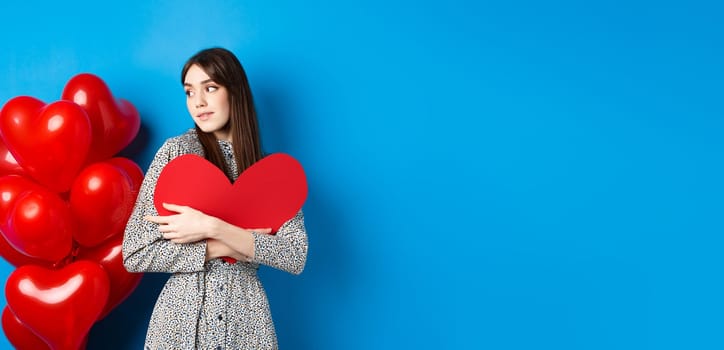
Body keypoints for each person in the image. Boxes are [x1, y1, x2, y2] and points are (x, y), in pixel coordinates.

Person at [122, 47, 308, 350]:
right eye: (189, 92)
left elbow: (294, 255)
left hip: (246, 322)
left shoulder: (272, 175)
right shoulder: (176, 154)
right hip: (180, 322)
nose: (198, 102)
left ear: (234, 92)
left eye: (210, 88)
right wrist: (224, 246)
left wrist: (213, 227)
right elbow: (135, 252)